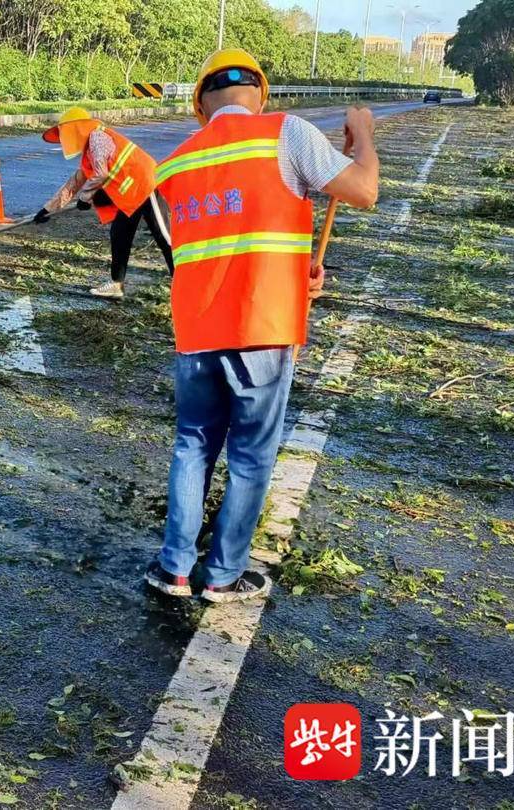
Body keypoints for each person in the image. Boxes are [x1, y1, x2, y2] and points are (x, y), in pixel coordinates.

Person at [144, 49, 379, 602]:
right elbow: (364, 190)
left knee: (193, 444)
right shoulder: (287, 134)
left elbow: (218, 247)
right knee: (250, 454)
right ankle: (223, 575)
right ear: (259, 92)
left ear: (201, 104)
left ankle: (174, 568)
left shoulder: (176, 163)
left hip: (197, 332)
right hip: (264, 329)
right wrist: (363, 133)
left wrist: (299, 271)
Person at [33, 107, 174, 300]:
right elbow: (74, 183)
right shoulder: (88, 153)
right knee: (119, 235)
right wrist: (48, 209)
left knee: (164, 237)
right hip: (129, 195)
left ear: (77, 129)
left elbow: (101, 173)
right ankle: (116, 285)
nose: (64, 140)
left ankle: (183, 280)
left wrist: (85, 197)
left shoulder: (97, 138)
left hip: (145, 185)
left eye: (65, 134)